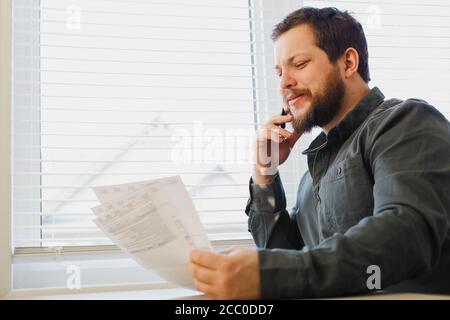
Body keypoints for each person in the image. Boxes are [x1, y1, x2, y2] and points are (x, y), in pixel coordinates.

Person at [187, 7, 450, 299]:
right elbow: (290, 260)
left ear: (348, 62)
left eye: (298, 64)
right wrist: (264, 175)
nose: (284, 83)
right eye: (279, 72)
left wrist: (269, 274)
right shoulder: (310, 180)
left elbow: (405, 236)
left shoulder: (405, 122)